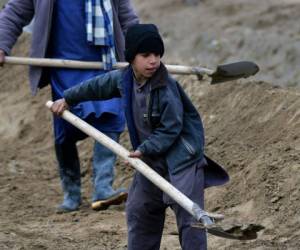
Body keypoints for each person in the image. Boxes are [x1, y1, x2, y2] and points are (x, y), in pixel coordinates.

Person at [50, 24, 229, 250]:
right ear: (132, 58)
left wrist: (145, 149)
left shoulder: (166, 87)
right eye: (146, 55)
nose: (153, 61)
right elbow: (95, 86)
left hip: (181, 162)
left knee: (190, 222)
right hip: (152, 162)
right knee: (140, 212)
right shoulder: (123, 80)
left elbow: (171, 128)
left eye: (157, 55)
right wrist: (68, 99)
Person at [0, 0, 139, 213]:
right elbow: (15, 12)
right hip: (64, 65)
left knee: (110, 116)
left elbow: (127, 18)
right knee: (66, 126)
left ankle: (103, 186)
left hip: (104, 61)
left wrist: (142, 49)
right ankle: (71, 192)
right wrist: (1, 44)